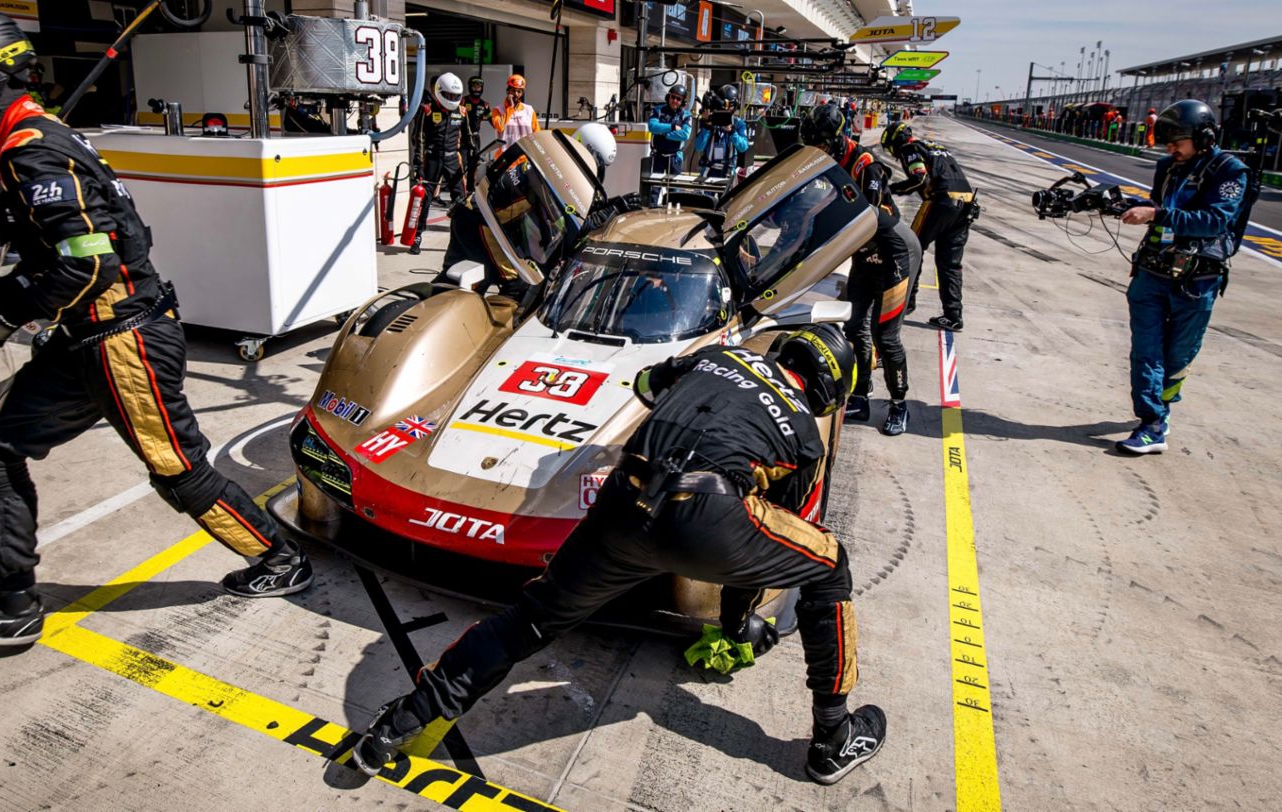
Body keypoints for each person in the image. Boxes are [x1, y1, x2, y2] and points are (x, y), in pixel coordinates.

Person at [0, 10, 314, 649]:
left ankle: (280, 559)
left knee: (175, 467)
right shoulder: (28, 139)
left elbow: (88, 263)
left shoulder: (33, 148)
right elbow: (68, 252)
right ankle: (14, 606)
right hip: (83, 336)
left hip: (126, 340)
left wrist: (4, 315)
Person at [353, 328, 887, 786]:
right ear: (828, 389)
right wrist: (735, 622)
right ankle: (833, 737)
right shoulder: (804, 436)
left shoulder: (720, 356)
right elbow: (765, 542)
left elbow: (645, 385)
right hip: (709, 515)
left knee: (529, 621)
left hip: (625, 499)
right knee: (830, 564)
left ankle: (400, 722)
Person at [1114, 100, 1249, 455]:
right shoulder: (1167, 167)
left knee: (1177, 356)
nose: (1171, 149)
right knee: (1146, 351)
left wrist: (1155, 214)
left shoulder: (1230, 171)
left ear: (1203, 138)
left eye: (1178, 142)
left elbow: (1213, 221)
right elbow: (1160, 206)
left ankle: (1162, 410)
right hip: (1152, 272)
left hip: (1196, 280)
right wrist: (1123, 206)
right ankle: (1152, 424)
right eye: (1168, 143)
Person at [804, 104, 911, 435]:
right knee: (854, 327)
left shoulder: (866, 165)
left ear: (837, 139)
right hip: (865, 255)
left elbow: (867, 218)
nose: (819, 150)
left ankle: (899, 404)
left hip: (892, 255)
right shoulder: (832, 164)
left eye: (822, 144)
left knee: (885, 336)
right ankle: (862, 394)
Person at [438, 124, 635, 299]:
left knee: (451, 285)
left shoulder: (553, 161)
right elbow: (574, 225)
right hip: (482, 228)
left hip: (472, 215)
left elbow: (578, 212)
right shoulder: (556, 175)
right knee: (520, 288)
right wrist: (615, 208)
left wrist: (616, 203)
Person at [881, 121, 977, 332]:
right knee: (950, 263)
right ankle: (953, 316)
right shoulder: (937, 147)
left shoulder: (909, 149)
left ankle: (906, 302)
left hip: (941, 202)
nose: (894, 155)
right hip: (966, 204)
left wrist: (890, 189)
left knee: (911, 248)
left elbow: (918, 178)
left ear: (895, 142)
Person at [408, 73, 472, 255]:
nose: (452, 99)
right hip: (432, 158)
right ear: (439, 92)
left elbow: (467, 136)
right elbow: (418, 137)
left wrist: (472, 152)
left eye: (455, 96)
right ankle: (417, 236)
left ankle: (461, 239)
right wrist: (418, 163)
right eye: (448, 95)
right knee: (425, 199)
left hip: (453, 159)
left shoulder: (462, 111)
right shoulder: (427, 110)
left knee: (460, 199)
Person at [646, 84, 692, 205]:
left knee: (674, 191)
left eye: (678, 99)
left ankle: (672, 213)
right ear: (668, 97)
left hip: (675, 157)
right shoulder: (658, 110)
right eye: (673, 97)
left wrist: (664, 134)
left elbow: (685, 135)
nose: (675, 101)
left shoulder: (686, 115)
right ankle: (652, 210)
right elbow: (652, 127)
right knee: (654, 188)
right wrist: (672, 127)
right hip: (658, 156)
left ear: (682, 101)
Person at [695, 84, 749, 184]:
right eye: (723, 106)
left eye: (729, 106)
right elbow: (698, 147)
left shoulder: (738, 123)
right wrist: (707, 126)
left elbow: (743, 147)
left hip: (728, 171)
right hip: (709, 170)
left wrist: (732, 131)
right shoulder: (709, 121)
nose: (726, 109)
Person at [490, 74, 538, 154]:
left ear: (522, 93)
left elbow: (536, 133)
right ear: (508, 91)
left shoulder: (529, 110)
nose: (516, 94)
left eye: (519, 91)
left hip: (524, 156)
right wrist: (510, 108)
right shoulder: (497, 110)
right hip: (505, 156)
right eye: (513, 90)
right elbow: (500, 127)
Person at [460, 76, 490, 180]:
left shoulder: (484, 105)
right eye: (474, 86)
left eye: (479, 87)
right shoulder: (463, 101)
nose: (476, 89)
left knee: (474, 164)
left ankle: (471, 187)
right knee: (462, 164)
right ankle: (460, 186)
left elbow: (493, 120)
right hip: (463, 138)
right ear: (470, 87)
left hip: (476, 138)